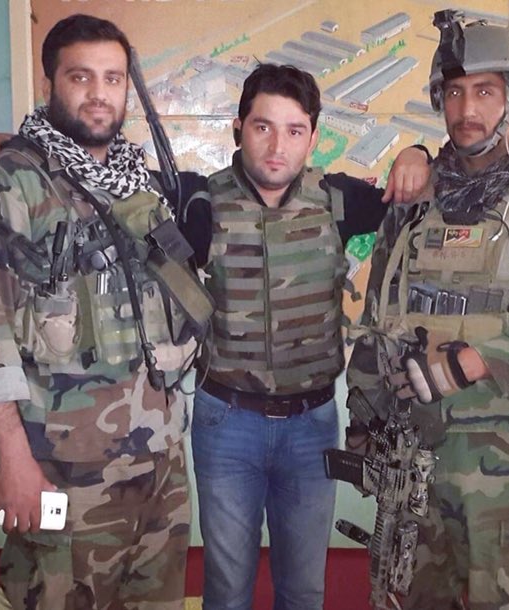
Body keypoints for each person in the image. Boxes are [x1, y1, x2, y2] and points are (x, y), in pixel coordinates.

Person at [347, 15, 509, 609]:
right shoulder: (415, 200)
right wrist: (362, 423)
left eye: (485, 91)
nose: (467, 109)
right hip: (411, 460)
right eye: (454, 92)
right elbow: (379, 316)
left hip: (504, 466)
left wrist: (480, 361)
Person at [0, 14, 213, 609]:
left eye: (113, 78)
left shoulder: (142, 185)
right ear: (49, 83)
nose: (99, 93)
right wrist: (13, 461)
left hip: (158, 462)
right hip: (64, 469)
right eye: (80, 77)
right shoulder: (14, 183)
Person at [182, 63, 430, 610]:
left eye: (295, 130)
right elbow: (104, 177)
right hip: (227, 423)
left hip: (310, 427)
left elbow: (426, 192)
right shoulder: (199, 199)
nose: (278, 146)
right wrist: (18, 148)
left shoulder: (337, 199)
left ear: (313, 138)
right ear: (238, 129)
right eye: (263, 127)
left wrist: (418, 153)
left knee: (303, 591)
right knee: (226, 591)